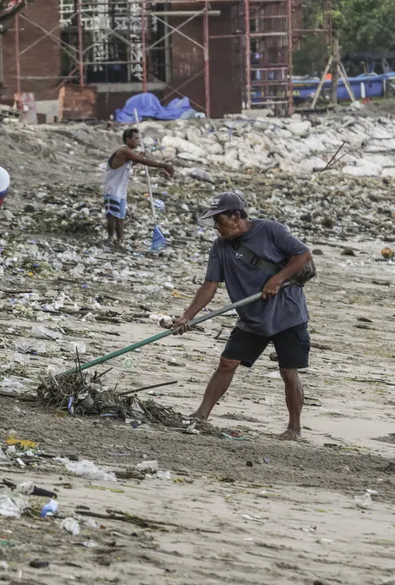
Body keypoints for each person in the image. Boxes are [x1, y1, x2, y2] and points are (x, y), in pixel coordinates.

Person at [172, 192, 313, 440]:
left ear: (236, 216)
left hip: (287, 315)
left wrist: (277, 279)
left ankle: (294, 428)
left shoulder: (270, 230)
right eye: (214, 222)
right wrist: (187, 316)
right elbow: (210, 285)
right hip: (252, 317)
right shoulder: (220, 247)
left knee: (288, 372)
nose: (217, 227)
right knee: (227, 363)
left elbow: (303, 256)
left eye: (220, 220)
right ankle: (201, 414)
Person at [104, 128, 175, 244]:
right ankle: (110, 238)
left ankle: (120, 240)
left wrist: (139, 158)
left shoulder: (128, 154)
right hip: (112, 188)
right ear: (128, 139)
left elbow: (130, 163)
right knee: (112, 215)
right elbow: (140, 160)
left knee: (121, 216)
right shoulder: (123, 150)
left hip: (121, 189)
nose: (138, 141)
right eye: (136, 138)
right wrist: (163, 165)